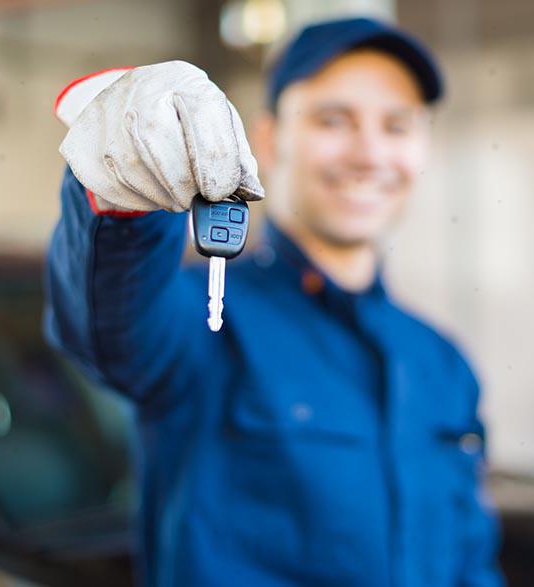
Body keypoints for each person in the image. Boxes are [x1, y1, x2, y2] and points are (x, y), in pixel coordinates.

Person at [44, 16, 503, 587]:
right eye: (333, 120)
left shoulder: (443, 362)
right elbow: (107, 323)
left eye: (397, 125)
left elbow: (470, 558)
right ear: (269, 138)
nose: (369, 153)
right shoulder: (199, 323)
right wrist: (122, 196)